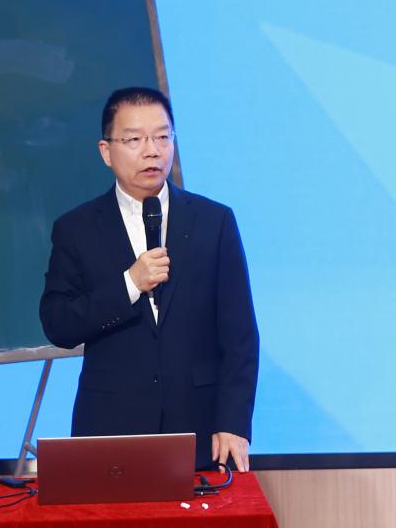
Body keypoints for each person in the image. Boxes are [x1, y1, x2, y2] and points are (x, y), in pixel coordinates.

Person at [39, 86, 259, 471]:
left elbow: (240, 335)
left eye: (162, 137)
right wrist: (130, 283)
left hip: (200, 427)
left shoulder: (214, 221)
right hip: (110, 427)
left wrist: (233, 423)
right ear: (106, 151)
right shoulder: (76, 228)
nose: (152, 151)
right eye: (134, 140)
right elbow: (59, 325)